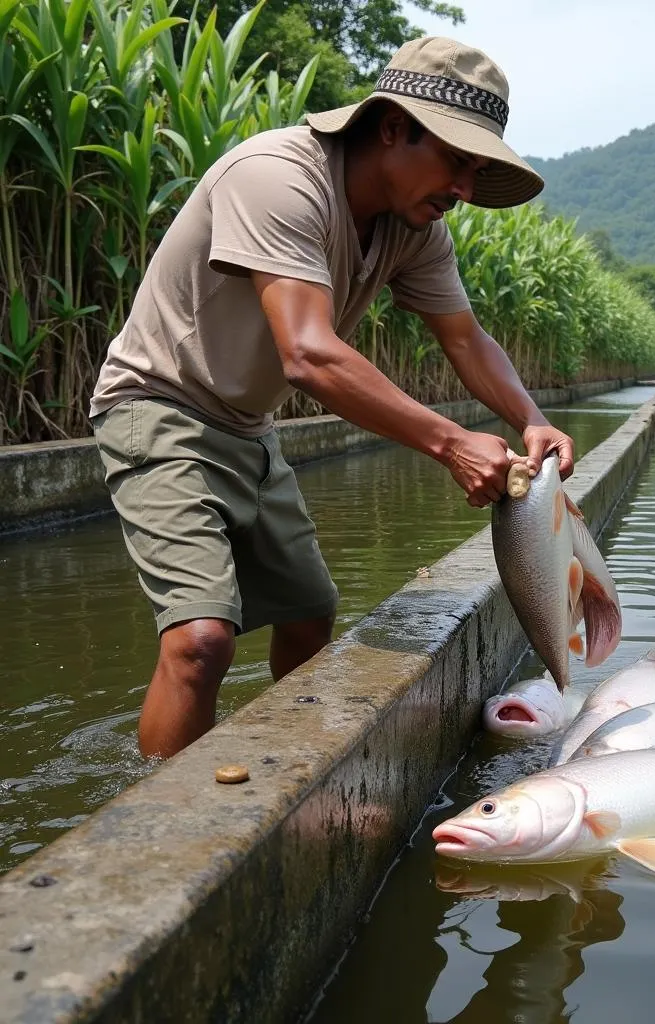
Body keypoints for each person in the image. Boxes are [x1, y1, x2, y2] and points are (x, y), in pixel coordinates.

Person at [88, 36, 575, 759]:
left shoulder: (415, 229)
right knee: (200, 641)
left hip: (247, 427)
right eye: (455, 161)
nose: (464, 189)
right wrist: (449, 443)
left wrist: (533, 421)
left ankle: (289, 763)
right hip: (158, 405)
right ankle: (157, 827)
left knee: (310, 612)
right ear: (391, 128)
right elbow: (309, 354)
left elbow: (466, 340)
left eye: (476, 171)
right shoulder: (279, 178)